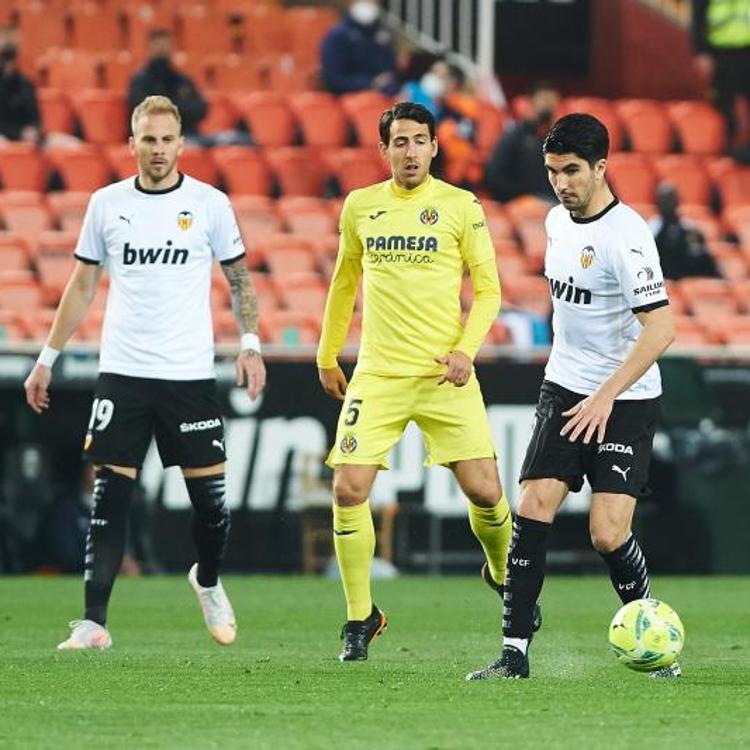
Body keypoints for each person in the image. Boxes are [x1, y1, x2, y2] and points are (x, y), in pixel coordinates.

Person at [23, 95, 266, 650]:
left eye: (166, 140)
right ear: (131, 144)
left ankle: (206, 580)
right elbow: (81, 285)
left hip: (188, 376)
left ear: (181, 144)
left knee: (211, 507)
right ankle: (93, 622)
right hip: (124, 372)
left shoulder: (209, 204)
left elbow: (239, 279)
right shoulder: (106, 205)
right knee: (110, 499)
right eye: (147, 140)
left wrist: (249, 345)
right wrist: (46, 359)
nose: (157, 150)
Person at [317, 101, 539, 663]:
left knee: (486, 491)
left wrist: (467, 350)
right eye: (400, 142)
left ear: (436, 147)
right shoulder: (361, 207)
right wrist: (326, 354)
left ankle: (501, 574)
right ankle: (359, 618)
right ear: (384, 149)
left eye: (420, 140)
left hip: (446, 372)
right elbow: (343, 283)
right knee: (347, 488)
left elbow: (489, 291)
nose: (410, 151)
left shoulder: (462, 206)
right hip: (379, 374)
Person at [467, 113, 678, 680]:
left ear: (602, 167)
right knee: (533, 506)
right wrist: (571, 381)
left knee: (607, 532)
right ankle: (513, 652)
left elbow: (661, 329)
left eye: (573, 171)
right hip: (565, 387)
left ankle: (651, 636)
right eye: (553, 171)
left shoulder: (627, 236)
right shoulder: (556, 222)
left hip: (626, 397)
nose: (561, 183)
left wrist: (607, 394)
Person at [485, 81, 561, 203]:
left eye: (552, 99)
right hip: (523, 204)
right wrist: (522, 197)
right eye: (543, 98)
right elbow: (495, 177)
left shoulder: (563, 138)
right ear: (531, 102)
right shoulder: (513, 137)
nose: (548, 103)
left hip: (557, 202)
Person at [128, 30, 206, 140]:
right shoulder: (140, 81)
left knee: (231, 139)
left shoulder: (183, 79)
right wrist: (179, 108)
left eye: (165, 46)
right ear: (149, 49)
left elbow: (200, 109)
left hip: (190, 133)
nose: (162, 50)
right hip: (159, 138)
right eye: (158, 46)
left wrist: (168, 107)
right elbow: (144, 111)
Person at [692, 0, 750, 145]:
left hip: (747, 50)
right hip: (719, 51)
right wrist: (701, 51)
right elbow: (697, 18)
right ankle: (729, 144)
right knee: (722, 99)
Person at [320, 0, 400, 96]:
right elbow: (334, 79)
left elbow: (392, 70)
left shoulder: (384, 33)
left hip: (384, 95)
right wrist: (370, 84)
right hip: (350, 97)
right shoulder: (337, 35)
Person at [649, 182, 720, 280]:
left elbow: (698, 251)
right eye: (665, 199)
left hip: (687, 274)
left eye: (671, 199)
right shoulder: (652, 228)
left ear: (678, 200)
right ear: (657, 202)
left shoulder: (689, 227)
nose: (669, 203)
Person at [0, 25, 41, 144]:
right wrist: (19, 133)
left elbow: (35, 119)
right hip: (4, 136)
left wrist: (34, 131)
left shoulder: (26, 83)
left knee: (68, 145)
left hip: (26, 137)